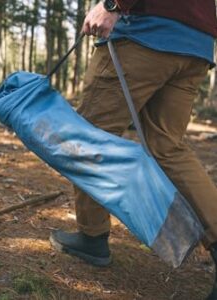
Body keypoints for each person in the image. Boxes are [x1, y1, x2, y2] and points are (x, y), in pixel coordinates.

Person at [49, 0, 217, 299]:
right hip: (196, 43)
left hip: (144, 33)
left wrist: (113, 4)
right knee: (169, 148)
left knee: (87, 137)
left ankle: (92, 237)